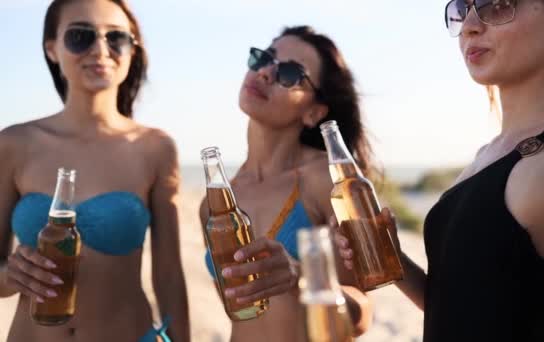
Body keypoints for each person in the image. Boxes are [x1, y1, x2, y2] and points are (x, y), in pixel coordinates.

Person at [335, 1, 544, 341]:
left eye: (498, 5)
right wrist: (394, 259)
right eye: (463, 9)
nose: (470, 26)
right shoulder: (484, 156)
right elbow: (460, 307)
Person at [0, 1, 189, 341]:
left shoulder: (155, 148)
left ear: (132, 50)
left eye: (116, 38)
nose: (101, 49)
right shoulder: (14, 144)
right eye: (80, 36)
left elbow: (169, 276)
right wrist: (11, 276)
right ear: (52, 49)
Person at [199, 26, 372, 342]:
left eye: (290, 73)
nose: (265, 72)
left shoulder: (324, 180)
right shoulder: (217, 201)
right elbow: (238, 313)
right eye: (263, 58)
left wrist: (300, 278)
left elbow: (361, 315)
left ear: (314, 112)